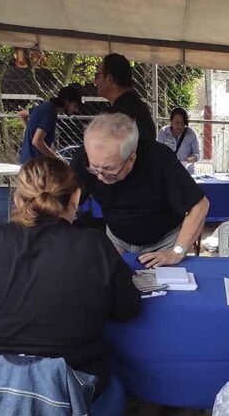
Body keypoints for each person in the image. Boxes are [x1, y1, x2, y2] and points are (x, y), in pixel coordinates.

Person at [0, 157, 141, 398]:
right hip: (73, 392)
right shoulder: (95, 245)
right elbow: (127, 310)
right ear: (76, 198)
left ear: (17, 200)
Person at [72, 113, 209, 267]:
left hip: (163, 242)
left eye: (108, 170)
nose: (100, 177)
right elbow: (67, 201)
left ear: (131, 158)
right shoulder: (84, 158)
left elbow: (199, 205)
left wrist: (176, 252)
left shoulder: (159, 159)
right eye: (94, 168)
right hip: (116, 238)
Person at [94, 53, 156, 140]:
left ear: (109, 79)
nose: (95, 81)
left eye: (97, 76)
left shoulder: (120, 115)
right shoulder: (135, 106)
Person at [17, 84, 82, 163]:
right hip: (36, 164)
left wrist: (30, 131)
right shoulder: (50, 113)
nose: (76, 110)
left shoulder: (44, 106)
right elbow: (37, 141)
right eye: (75, 105)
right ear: (67, 101)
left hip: (27, 160)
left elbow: (21, 114)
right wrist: (55, 158)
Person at [156, 107, 201, 174]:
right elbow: (157, 153)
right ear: (171, 121)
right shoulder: (163, 132)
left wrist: (190, 159)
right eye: (177, 123)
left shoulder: (191, 133)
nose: (180, 126)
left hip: (187, 173)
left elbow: (197, 154)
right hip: (167, 172)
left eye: (183, 123)